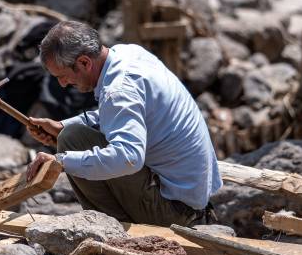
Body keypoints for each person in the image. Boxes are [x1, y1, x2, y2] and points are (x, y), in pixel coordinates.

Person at [25, 20, 222, 226]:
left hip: (177, 212)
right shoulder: (128, 53)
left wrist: (61, 162)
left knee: (72, 141)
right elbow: (117, 114)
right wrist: (62, 125)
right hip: (193, 197)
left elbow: (129, 158)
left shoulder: (118, 90)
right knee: (71, 133)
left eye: (63, 76)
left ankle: (113, 231)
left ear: (84, 62)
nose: (63, 84)